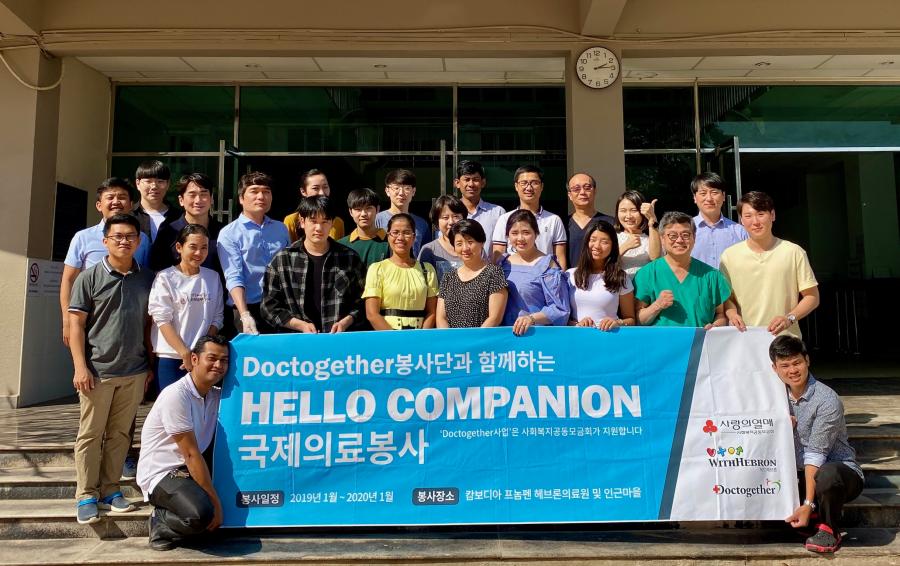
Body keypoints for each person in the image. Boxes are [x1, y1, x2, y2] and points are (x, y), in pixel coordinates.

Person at [67, 213, 154, 525]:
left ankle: (110, 490)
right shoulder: (88, 278)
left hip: (134, 370)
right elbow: (76, 325)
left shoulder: (147, 278)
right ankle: (86, 495)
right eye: (117, 236)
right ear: (105, 241)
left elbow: (149, 325)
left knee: (119, 435)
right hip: (97, 371)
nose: (124, 241)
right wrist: (80, 367)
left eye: (130, 236)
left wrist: (150, 366)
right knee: (90, 434)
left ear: (138, 241)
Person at [770, 335, 863, 554]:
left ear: (807, 361)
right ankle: (810, 516)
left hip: (839, 476)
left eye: (797, 363)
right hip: (798, 474)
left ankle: (829, 528)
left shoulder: (827, 399)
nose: (792, 370)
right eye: (785, 365)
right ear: (775, 368)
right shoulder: (773, 397)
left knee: (828, 474)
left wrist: (809, 503)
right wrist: (777, 425)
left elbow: (815, 454)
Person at [137, 335, 229, 551]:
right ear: (194, 359)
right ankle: (160, 522)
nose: (218, 365)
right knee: (202, 515)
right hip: (162, 472)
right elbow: (190, 454)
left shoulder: (215, 395)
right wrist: (215, 504)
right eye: (212, 358)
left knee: (211, 524)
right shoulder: (176, 395)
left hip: (188, 470)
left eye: (224, 360)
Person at [60, 178, 151, 347]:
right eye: (110, 197)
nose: (116, 202)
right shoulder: (82, 237)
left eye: (122, 197)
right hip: (92, 319)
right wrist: (67, 320)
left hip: (131, 324)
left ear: (131, 205)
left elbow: (146, 280)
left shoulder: (142, 239)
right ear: (99, 205)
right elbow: (68, 279)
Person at [721, 191, 820, 338]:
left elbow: (812, 297)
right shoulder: (729, 256)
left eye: (761, 214)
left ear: (772, 215)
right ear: (741, 220)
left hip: (785, 340)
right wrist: (732, 314)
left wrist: (790, 318)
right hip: (745, 339)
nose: (755, 221)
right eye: (748, 216)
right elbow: (726, 298)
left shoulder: (793, 252)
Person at [262, 196, 366, 333]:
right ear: (302, 222)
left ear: (332, 223)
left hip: (338, 339)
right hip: (296, 340)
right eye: (313, 221)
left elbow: (362, 301)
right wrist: (299, 325)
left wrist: (346, 321)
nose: (319, 228)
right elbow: (268, 307)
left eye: (325, 222)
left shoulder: (350, 258)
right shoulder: (282, 260)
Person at [148, 224, 224, 397]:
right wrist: (185, 352)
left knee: (201, 406)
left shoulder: (213, 277)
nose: (199, 253)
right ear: (179, 247)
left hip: (202, 358)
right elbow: (162, 320)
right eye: (193, 247)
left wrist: (200, 350)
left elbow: (217, 318)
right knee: (172, 408)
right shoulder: (165, 278)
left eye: (204, 248)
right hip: (171, 357)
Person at [217, 172, 290, 335]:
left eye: (266, 191)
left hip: (280, 308)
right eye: (254, 191)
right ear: (241, 198)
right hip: (247, 309)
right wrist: (244, 315)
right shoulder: (229, 233)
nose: (261, 196)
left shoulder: (281, 229)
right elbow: (233, 276)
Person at [634, 211, 730, 328]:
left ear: (694, 238)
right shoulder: (647, 274)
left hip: (700, 339)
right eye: (672, 235)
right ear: (662, 239)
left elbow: (720, 314)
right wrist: (657, 305)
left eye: (685, 235)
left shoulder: (711, 275)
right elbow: (639, 320)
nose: (679, 240)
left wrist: (715, 326)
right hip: (662, 339)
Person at [498, 210, 571, 335]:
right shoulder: (502, 263)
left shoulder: (547, 266)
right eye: (514, 233)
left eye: (526, 232)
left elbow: (560, 308)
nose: (520, 238)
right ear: (507, 236)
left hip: (535, 336)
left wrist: (531, 319)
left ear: (536, 233)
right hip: (504, 336)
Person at [365, 213, 439, 330]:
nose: (400, 237)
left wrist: (421, 337)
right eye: (395, 232)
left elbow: (432, 312)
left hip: (419, 339)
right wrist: (395, 339)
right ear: (388, 236)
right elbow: (372, 314)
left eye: (406, 233)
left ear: (414, 237)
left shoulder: (427, 270)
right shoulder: (377, 269)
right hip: (388, 338)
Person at [150, 172, 225, 276]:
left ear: (211, 199)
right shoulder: (169, 231)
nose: (198, 200)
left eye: (203, 194)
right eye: (192, 195)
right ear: (181, 200)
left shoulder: (224, 231)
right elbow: (158, 268)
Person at [492, 165, 568, 268]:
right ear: (516, 186)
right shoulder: (504, 219)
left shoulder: (554, 220)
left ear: (542, 186)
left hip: (545, 274)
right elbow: (498, 256)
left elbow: (560, 258)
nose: (529, 188)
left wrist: (560, 277)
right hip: (512, 274)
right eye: (524, 183)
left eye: (534, 183)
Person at [436, 219, 508, 328]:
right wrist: (449, 338)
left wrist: (475, 338)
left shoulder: (494, 273)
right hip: (451, 338)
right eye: (459, 244)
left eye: (470, 242)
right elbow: (441, 318)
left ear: (482, 242)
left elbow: (495, 318)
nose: (465, 248)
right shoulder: (448, 277)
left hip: (482, 337)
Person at [567, 220, 636, 330]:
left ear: (613, 246)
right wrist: (577, 324)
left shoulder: (620, 277)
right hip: (577, 337)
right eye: (593, 240)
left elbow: (631, 319)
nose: (597, 246)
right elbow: (560, 317)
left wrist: (618, 322)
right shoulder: (569, 275)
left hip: (609, 336)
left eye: (604, 242)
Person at [689, 172, 748, 269]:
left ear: (723, 196)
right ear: (695, 198)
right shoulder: (685, 230)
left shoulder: (740, 232)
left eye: (714, 192)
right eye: (703, 193)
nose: (709, 198)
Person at [375, 169, 432, 256]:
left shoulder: (421, 223)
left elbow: (425, 254)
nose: (401, 193)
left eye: (407, 188)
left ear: (413, 191)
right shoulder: (377, 220)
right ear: (387, 191)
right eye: (396, 188)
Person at [565, 172, 616, 269]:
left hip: (602, 276)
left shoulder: (610, 223)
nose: (582, 192)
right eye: (576, 189)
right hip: (570, 277)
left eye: (587, 187)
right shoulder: (562, 223)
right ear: (570, 195)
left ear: (595, 191)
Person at [283, 169, 345, 242]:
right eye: (315, 188)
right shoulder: (291, 221)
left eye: (325, 187)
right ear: (303, 191)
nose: (322, 193)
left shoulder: (338, 222)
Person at [337, 188, 390, 270]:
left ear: (377, 209)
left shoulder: (390, 242)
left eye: (368, 208)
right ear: (350, 212)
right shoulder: (341, 245)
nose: (363, 214)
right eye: (358, 209)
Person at [418, 195, 467, 282]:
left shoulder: (474, 247)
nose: (451, 222)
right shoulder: (429, 250)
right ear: (437, 222)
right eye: (445, 217)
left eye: (456, 216)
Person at [454, 160, 505, 243]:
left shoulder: (498, 213)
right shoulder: (451, 213)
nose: (471, 184)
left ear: (483, 182)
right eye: (467, 179)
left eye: (475, 179)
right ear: (457, 183)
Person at [614, 190, 661, 276]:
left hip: (644, 284)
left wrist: (652, 219)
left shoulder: (652, 238)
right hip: (619, 284)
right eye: (623, 211)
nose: (628, 216)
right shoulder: (612, 237)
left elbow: (655, 258)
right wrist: (626, 246)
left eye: (634, 210)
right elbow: (603, 263)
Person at [133, 160, 180, 243]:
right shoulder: (129, 215)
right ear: (138, 184)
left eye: (160, 181)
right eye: (148, 181)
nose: (154, 186)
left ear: (168, 184)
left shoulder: (179, 217)